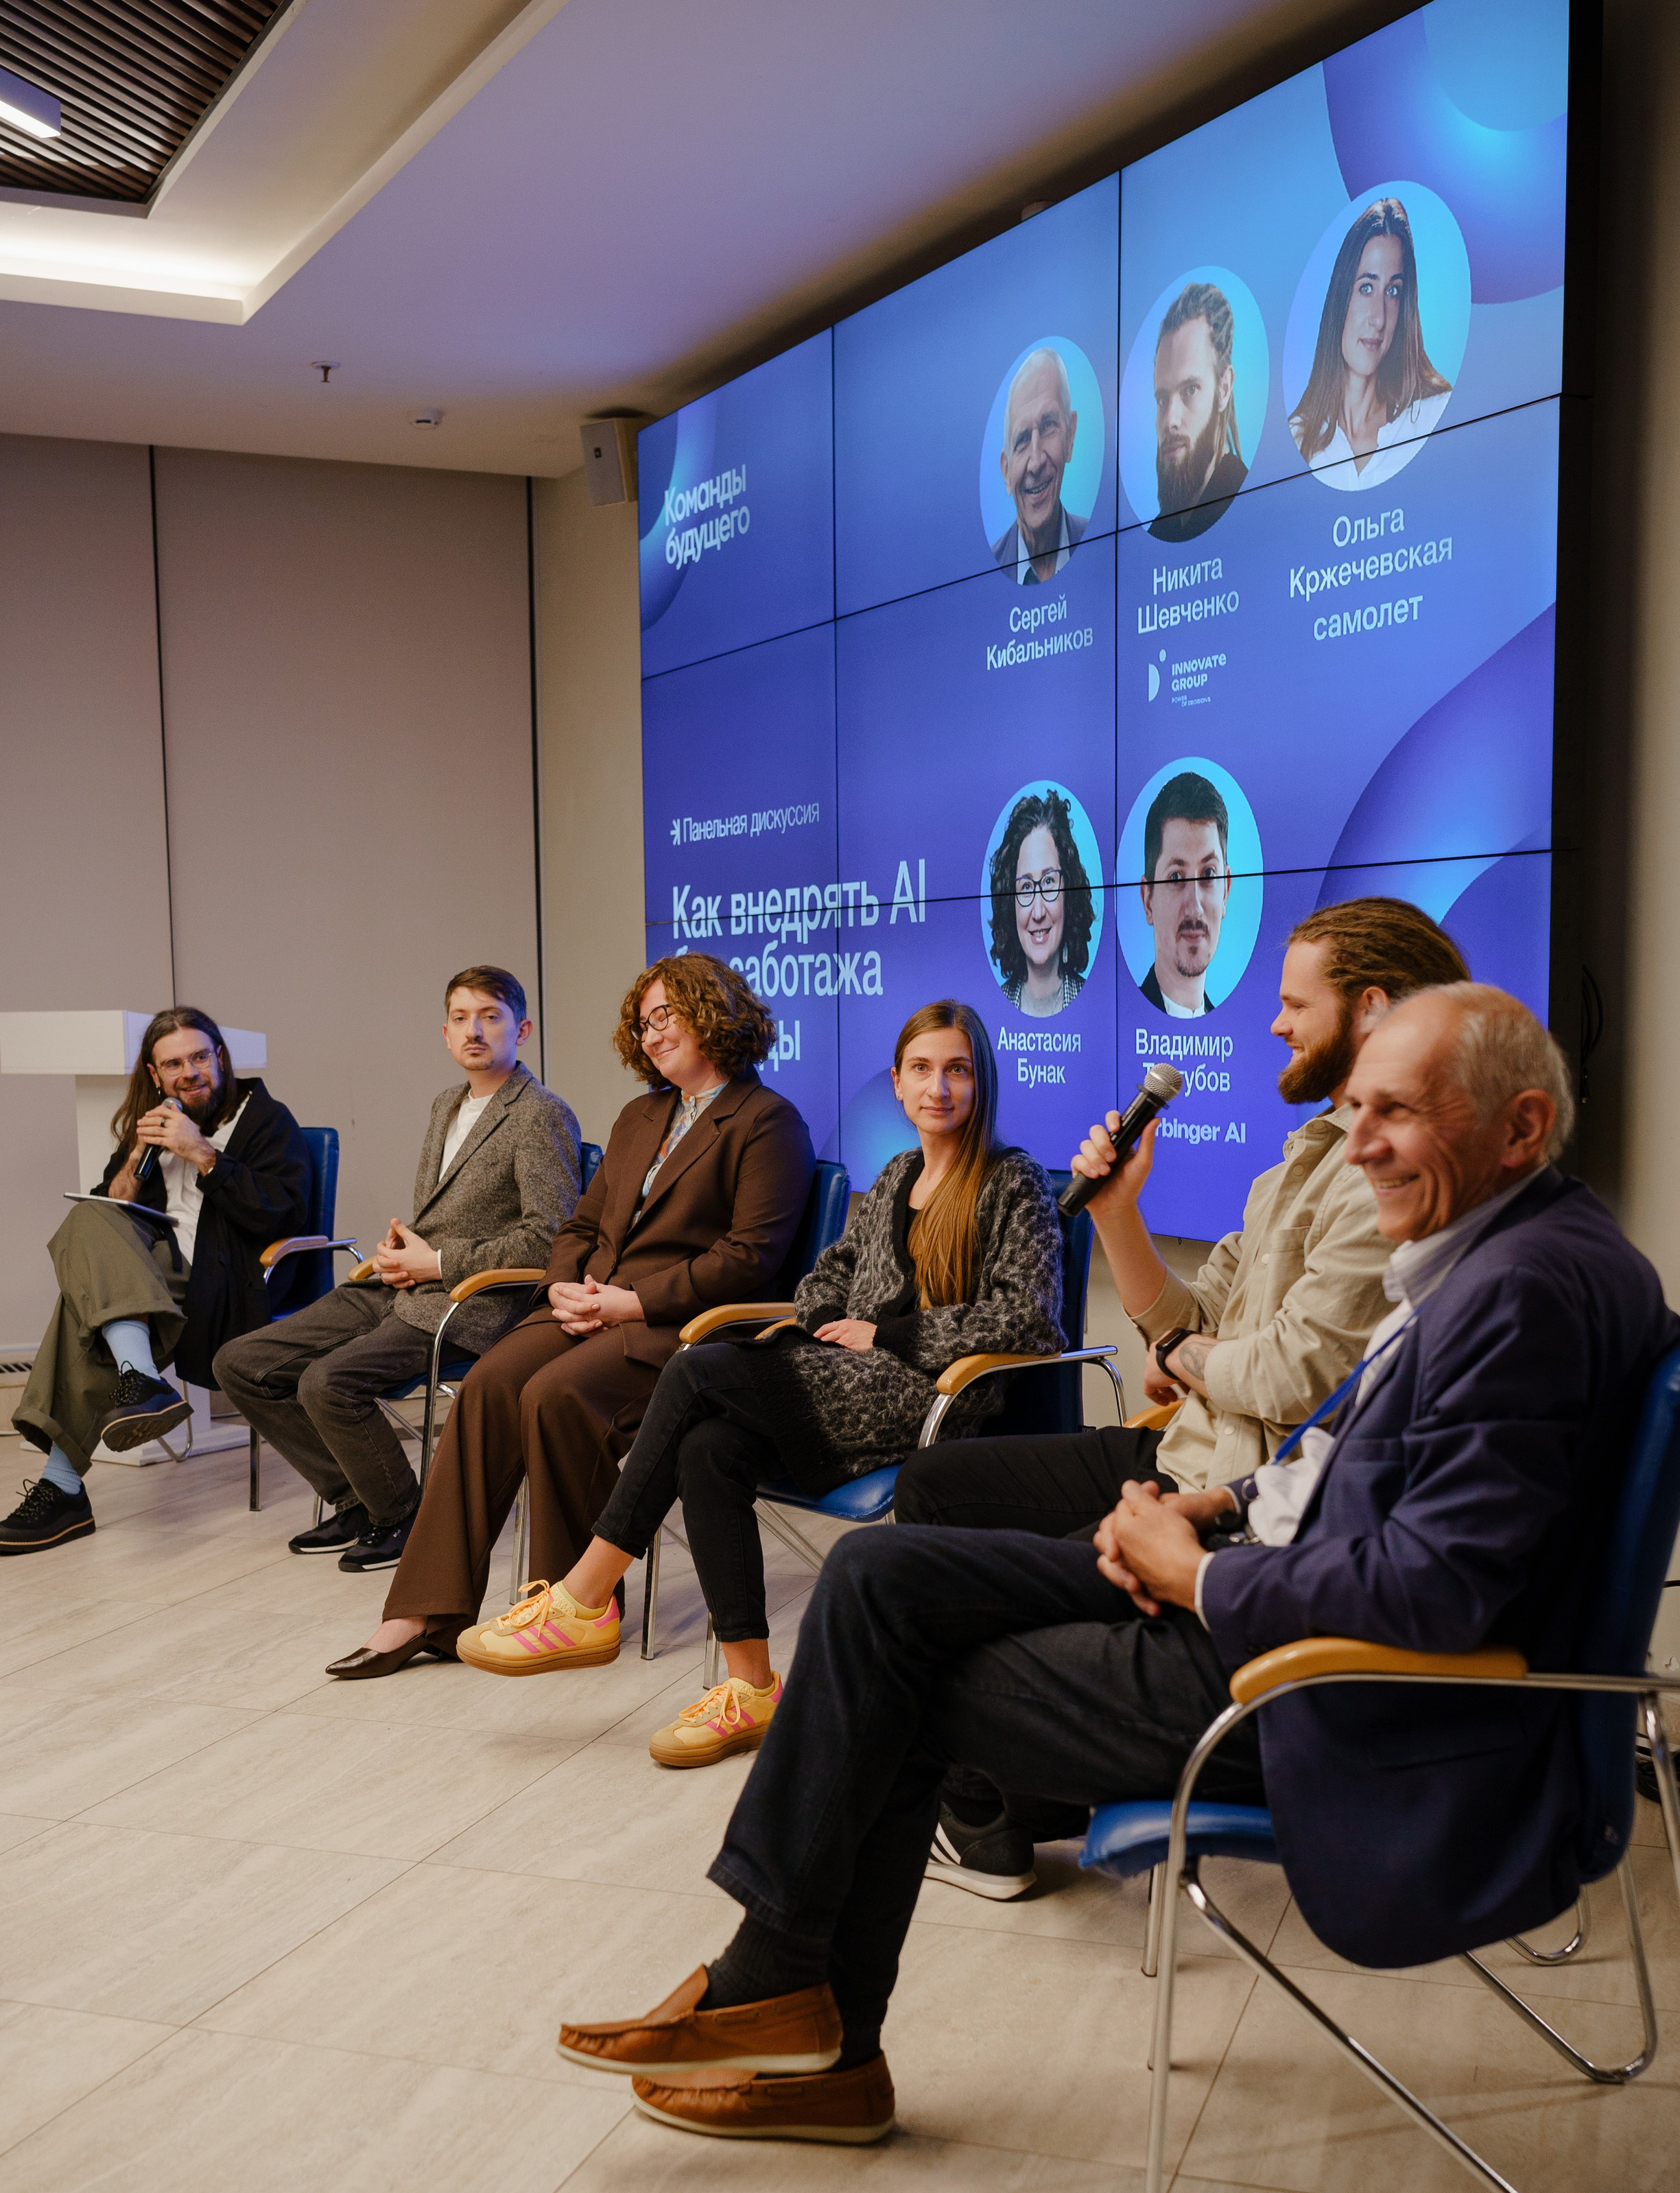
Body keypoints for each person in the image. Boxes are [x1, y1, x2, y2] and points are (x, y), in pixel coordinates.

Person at [556, 985, 1678, 2145]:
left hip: (1322, 1695)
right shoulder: (1504, 1254)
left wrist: (1198, 1577)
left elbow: (1435, 1594)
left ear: (1523, 1127)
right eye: (1362, 1109)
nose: (1368, 1144)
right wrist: (1218, 1505)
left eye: (1401, 1113)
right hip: (1266, 1580)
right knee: (878, 1583)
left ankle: (797, 2015)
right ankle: (786, 1995)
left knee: (885, 1676)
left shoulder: (1524, 1294)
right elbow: (1367, 1470)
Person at [898, 897, 1469, 1895]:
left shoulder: (1381, 1178)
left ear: (1372, 1010)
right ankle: (1017, 1800)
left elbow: (1289, 1374)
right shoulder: (1303, 1157)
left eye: (1297, 1004)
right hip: (1185, 1446)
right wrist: (1121, 1216)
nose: (1277, 1024)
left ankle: (998, 1816)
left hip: (1229, 1479)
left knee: (943, 1612)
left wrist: (1189, 1352)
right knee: (938, 1488)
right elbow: (1186, 1320)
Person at [495, 1001, 1065, 1768]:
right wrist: (832, 1316)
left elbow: (1029, 1320)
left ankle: (587, 1591)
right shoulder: (897, 1173)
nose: (939, 1087)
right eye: (922, 1070)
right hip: (848, 1379)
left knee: (697, 1368)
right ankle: (752, 1687)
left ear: (981, 1081)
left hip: (936, 1395)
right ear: (896, 1084)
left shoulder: (1012, 1180)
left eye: (957, 1069)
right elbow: (825, 1272)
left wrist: (884, 1334)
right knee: (708, 1448)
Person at [329, 953, 814, 1679]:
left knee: (554, 1396)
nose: (651, 1036)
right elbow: (578, 1229)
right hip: (591, 1304)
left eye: (667, 1017)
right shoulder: (640, 1115)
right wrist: (562, 1288)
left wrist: (632, 1301)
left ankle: (570, 1606)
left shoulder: (767, 1121)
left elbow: (750, 1258)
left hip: (680, 1324)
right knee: (491, 1386)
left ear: (717, 1013)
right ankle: (426, 1608)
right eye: (643, 1024)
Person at [215, 967, 580, 1571]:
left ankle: (403, 1517)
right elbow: (443, 1215)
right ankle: (358, 1499)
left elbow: (549, 1240)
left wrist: (434, 1259)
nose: (475, 1030)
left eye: (491, 1016)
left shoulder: (541, 1114)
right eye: (461, 1019)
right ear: (444, 1032)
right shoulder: (446, 1104)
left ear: (523, 1029)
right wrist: (403, 1246)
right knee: (241, 1364)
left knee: (326, 1383)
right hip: (405, 1284)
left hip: (469, 1301)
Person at [0, 1008, 309, 1554]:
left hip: (225, 1278)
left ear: (221, 1059)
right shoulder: (159, 1120)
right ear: (155, 1074)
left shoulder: (265, 1121)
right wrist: (138, 1155)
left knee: (84, 1310)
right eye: (175, 1064)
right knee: (87, 1223)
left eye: (200, 1057)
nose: (191, 1073)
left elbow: (282, 1214)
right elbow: (110, 1211)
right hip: (150, 1273)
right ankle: (139, 1381)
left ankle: (64, 1487)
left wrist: (202, 1153)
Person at [1290, 196, 1452, 489]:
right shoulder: (1297, 441)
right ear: (1340, 297)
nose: (1379, 319)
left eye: (1393, 291)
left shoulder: (1435, 416)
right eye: (1366, 288)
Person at [1148, 282, 1249, 544]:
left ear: (1224, 389)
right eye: (1162, 399)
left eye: (1191, 390)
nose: (1171, 420)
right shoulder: (1156, 536)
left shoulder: (1252, 503)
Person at [986, 791, 1096, 1017]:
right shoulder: (991, 1011)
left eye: (1048, 882)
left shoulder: (1095, 1003)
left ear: (1069, 892)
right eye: (1026, 887)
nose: (1037, 912)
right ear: (1011, 903)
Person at [1138, 773, 1232, 1016]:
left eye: (1209, 874)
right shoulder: (1121, 1016)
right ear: (1148, 900)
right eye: (1177, 877)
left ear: (1226, 892)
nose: (1195, 908)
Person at [990, 349, 1085, 586]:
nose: (1036, 462)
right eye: (1022, 440)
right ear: (1006, 471)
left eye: (1048, 427)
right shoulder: (987, 574)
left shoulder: (1099, 543)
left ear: (1070, 436)